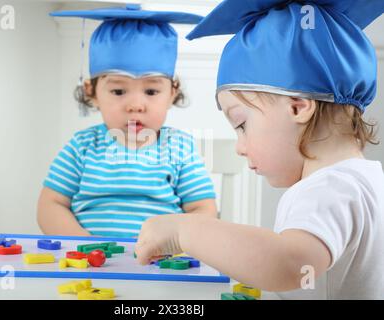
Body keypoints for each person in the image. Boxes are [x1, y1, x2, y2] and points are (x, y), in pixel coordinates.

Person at [135, 0, 384, 299]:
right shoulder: (366, 180)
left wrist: (184, 231)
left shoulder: (328, 187)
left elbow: (291, 264)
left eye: (241, 124)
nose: (240, 147)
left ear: (298, 106)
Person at [37, 5, 217, 238]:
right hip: (89, 265)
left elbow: (203, 209)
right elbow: (50, 204)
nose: (135, 105)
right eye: (119, 91)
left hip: (158, 266)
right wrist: (80, 242)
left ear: (172, 93)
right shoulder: (81, 147)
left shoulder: (180, 149)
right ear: (92, 93)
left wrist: (171, 240)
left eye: (151, 92)